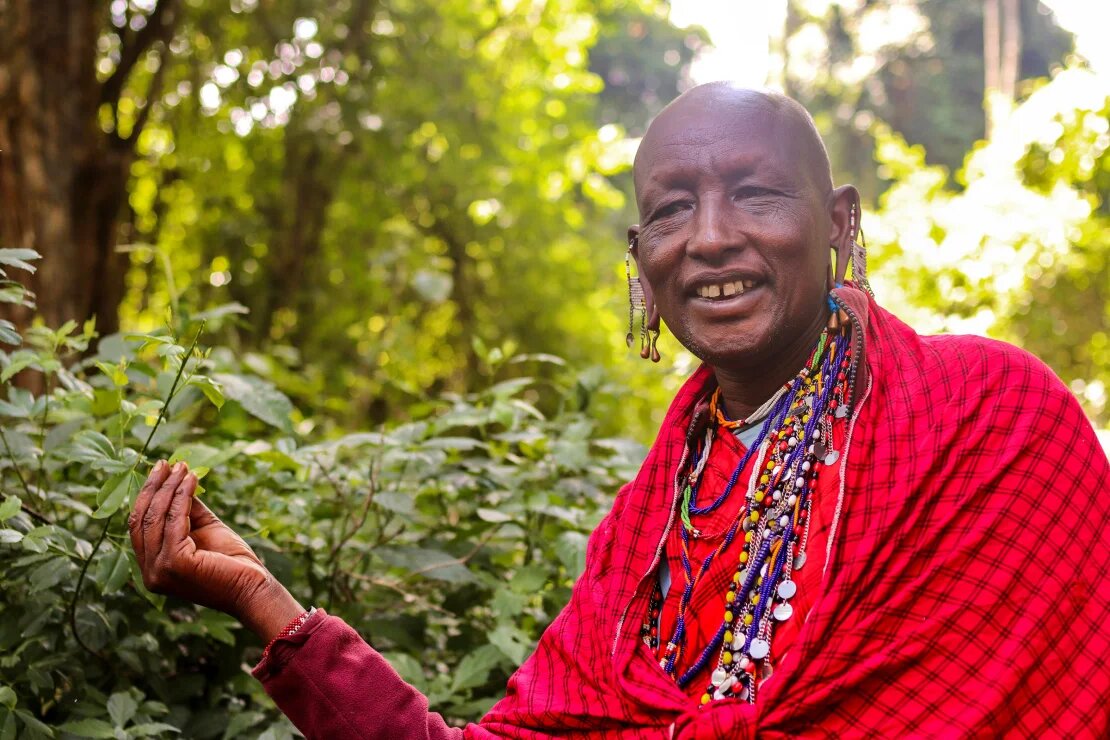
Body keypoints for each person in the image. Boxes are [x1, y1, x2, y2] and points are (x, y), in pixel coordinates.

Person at [129, 84, 1110, 738]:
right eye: (673, 209)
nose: (712, 238)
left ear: (841, 221)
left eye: (757, 193)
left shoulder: (993, 417)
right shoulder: (654, 520)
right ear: (642, 258)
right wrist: (267, 601)